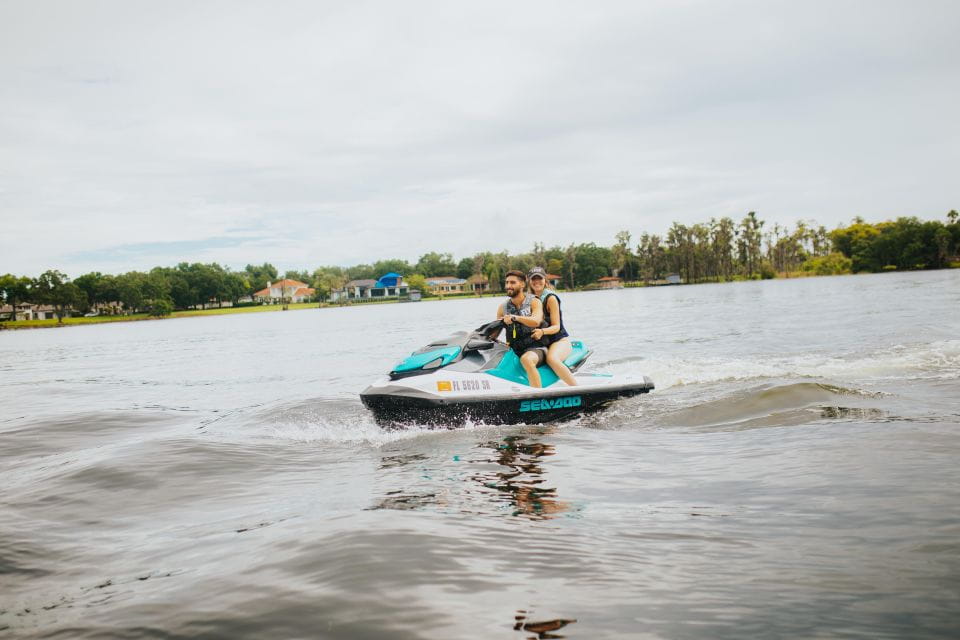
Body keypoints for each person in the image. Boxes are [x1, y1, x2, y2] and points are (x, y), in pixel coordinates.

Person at [496, 270, 548, 388]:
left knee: (527, 360)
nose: (508, 286)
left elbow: (536, 320)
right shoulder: (502, 308)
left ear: (523, 284)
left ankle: (538, 396)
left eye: (513, 283)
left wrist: (515, 318)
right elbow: (494, 333)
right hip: (514, 350)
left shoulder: (534, 301)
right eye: (507, 283)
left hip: (537, 348)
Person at [527, 266, 577, 386]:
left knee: (551, 359)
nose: (536, 282)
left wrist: (542, 332)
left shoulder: (551, 298)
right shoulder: (529, 300)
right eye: (534, 279)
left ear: (545, 280)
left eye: (540, 278)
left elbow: (556, 327)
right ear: (529, 281)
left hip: (559, 341)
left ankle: (576, 389)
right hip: (542, 344)